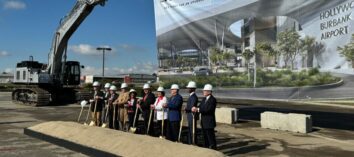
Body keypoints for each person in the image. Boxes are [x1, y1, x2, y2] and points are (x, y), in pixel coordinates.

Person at [192, 84, 217, 150]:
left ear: (209, 92)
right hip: (204, 122)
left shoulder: (213, 100)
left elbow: (209, 110)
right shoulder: (204, 99)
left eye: (205, 91)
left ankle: (213, 150)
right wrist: (196, 108)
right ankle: (207, 149)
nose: (203, 92)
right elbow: (200, 107)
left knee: (210, 137)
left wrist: (198, 109)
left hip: (209, 122)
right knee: (205, 137)